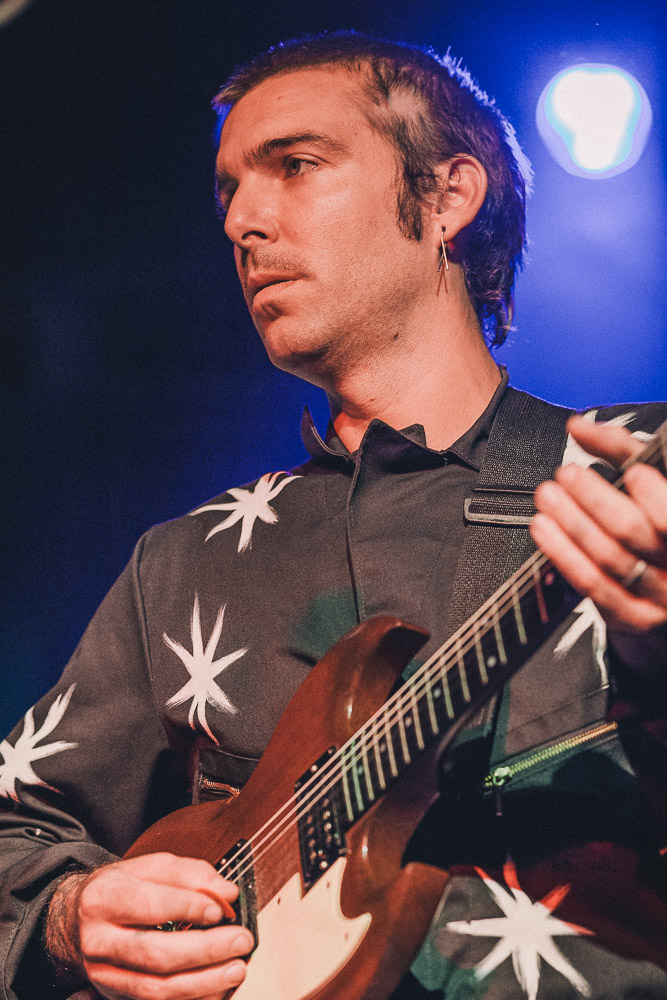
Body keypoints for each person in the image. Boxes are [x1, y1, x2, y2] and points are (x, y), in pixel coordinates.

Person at [1, 31, 666, 1000]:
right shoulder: (183, 563)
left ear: (447, 196)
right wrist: (69, 915)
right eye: (229, 190)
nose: (242, 221)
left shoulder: (625, 471)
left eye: (295, 165)